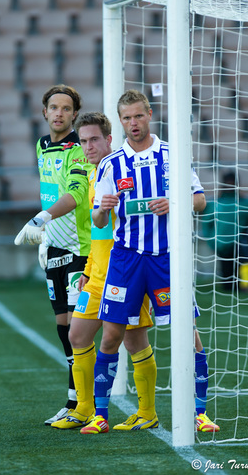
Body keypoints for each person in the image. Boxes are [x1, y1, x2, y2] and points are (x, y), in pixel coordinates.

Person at [80, 89, 219, 434]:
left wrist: (176, 203)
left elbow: (200, 200)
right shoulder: (111, 164)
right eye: (126, 118)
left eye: (138, 116)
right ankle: (100, 415)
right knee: (112, 336)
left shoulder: (174, 155)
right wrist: (103, 208)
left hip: (167, 259)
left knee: (189, 334)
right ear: (121, 121)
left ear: (150, 114)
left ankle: (200, 413)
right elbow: (98, 221)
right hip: (126, 260)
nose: (133, 123)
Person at [50, 111, 159, 432]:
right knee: (77, 334)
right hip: (98, 273)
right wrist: (89, 266)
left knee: (132, 339)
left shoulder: (126, 170)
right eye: (83, 141)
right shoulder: (94, 175)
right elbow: (100, 232)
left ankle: (147, 411)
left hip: (128, 269)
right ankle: (83, 408)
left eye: (94, 139)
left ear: (109, 139)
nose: (88, 147)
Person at [14, 84, 94, 424]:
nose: (59, 113)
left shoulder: (79, 149)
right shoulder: (42, 145)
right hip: (57, 247)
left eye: (65, 108)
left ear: (74, 114)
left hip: (81, 249)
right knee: (63, 326)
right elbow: (51, 191)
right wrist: (47, 236)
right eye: (53, 107)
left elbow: (76, 193)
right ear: (44, 112)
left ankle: (84, 405)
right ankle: (74, 399)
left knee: (78, 330)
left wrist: (41, 219)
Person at [201, 171, 248, 292]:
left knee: (244, 257)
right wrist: (212, 241)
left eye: (232, 183)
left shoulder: (246, 204)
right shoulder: (214, 205)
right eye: (227, 183)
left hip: (240, 242)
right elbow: (206, 224)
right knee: (228, 285)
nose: (229, 186)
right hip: (221, 245)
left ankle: (247, 284)